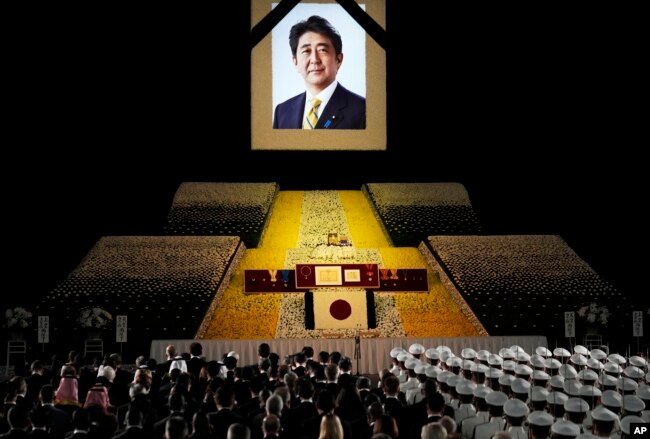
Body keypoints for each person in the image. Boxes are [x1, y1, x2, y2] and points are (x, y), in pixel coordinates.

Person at [273, 15, 366, 130]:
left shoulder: (363, 110)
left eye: (322, 50)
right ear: (295, 62)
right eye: (306, 51)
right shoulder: (282, 111)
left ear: (339, 59)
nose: (315, 60)